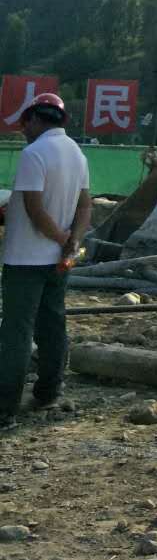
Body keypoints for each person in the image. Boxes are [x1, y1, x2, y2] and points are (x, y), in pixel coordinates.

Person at [0, 93, 91, 430]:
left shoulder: (34, 153)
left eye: (25, 124)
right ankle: (48, 391)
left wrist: (63, 239)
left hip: (25, 259)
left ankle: (5, 408)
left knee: (16, 332)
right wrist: (72, 243)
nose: (24, 131)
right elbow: (85, 206)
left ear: (36, 119)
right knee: (52, 324)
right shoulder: (77, 153)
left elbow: (35, 211)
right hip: (58, 262)